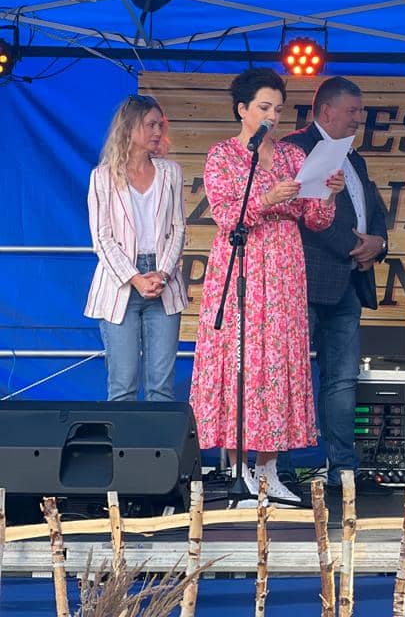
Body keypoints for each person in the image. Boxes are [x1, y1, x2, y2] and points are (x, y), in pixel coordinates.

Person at [190, 68, 345, 504]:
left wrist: (329, 192)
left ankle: (269, 469)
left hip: (284, 269)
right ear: (242, 109)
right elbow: (226, 215)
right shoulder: (223, 155)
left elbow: (315, 219)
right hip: (242, 263)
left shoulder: (293, 156)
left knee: (278, 362)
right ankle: (239, 470)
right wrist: (266, 199)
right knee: (241, 361)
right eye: (263, 107)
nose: (272, 116)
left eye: (277, 109)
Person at [282, 76, 388, 489]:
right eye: (352, 111)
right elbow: (304, 213)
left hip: (348, 283)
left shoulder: (353, 157)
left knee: (343, 380)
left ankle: (343, 469)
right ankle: (280, 469)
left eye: (360, 111)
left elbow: (372, 208)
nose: (359, 118)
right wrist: (354, 246)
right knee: (289, 376)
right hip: (305, 281)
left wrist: (378, 243)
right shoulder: (295, 149)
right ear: (326, 111)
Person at [86, 94, 187, 402]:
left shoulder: (171, 172)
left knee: (161, 387)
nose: (158, 131)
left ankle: (159, 437)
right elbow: (102, 237)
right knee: (123, 385)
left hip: (162, 280)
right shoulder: (102, 176)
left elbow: (179, 228)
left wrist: (163, 273)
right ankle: (122, 439)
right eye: (150, 125)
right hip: (121, 283)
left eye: (160, 125)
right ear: (129, 128)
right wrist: (136, 278)